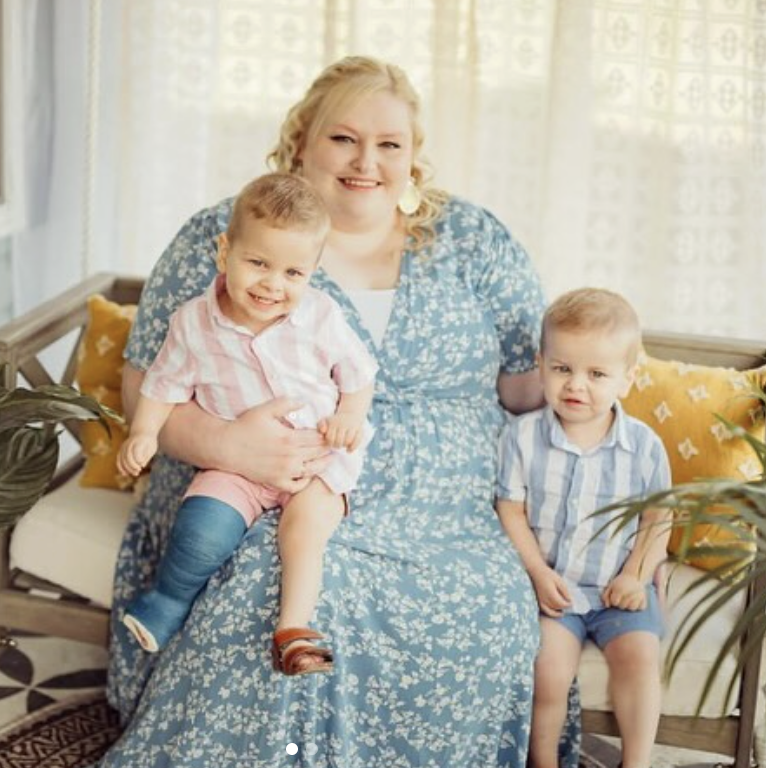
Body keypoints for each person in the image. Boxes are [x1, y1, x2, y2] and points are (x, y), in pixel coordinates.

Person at [98, 56, 579, 767]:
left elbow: (523, 387)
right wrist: (228, 446)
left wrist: (594, 387)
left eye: (389, 144)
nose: (366, 162)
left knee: (481, 614)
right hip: (263, 489)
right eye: (343, 139)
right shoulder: (230, 233)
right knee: (273, 590)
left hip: (445, 514)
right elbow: (145, 385)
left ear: (413, 157)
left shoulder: (473, 240)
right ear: (301, 141)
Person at [115, 172, 377, 675]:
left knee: (304, 531)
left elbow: (358, 374)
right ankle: (167, 601)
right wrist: (144, 432)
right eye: (258, 263)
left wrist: (349, 415)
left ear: (313, 271)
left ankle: (294, 631)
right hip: (233, 463)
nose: (273, 284)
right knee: (201, 529)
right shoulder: (193, 323)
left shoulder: (320, 316)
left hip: (315, 460)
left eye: (293, 273)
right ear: (225, 251)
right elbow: (164, 383)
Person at [496, 287, 672, 768]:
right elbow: (510, 509)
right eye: (562, 368)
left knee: (639, 659)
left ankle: (636, 762)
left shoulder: (644, 446)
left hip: (621, 587)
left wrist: (635, 575)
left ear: (627, 379)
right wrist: (538, 573)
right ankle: (544, 761)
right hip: (557, 589)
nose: (576, 385)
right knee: (549, 671)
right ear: (541, 365)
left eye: (596, 374)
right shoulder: (522, 436)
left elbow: (658, 518)